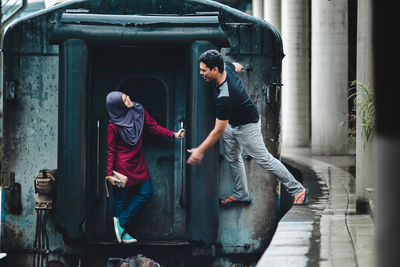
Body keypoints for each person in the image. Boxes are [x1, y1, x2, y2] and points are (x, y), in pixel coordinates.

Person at [186, 50, 308, 206]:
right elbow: (236, 66)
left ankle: (297, 189)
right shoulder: (226, 67)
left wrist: (200, 150)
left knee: (264, 159)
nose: (201, 73)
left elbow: (218, 131)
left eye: (204, 70)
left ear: (215, 70)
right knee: (233, 158)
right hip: (231, 123)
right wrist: (241, 68)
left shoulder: (226, 96)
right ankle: (241, 194)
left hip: (247, 125)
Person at [105, 91, 185, 244]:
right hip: (122, 167)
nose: (128, 98)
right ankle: (121, 233)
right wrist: (109, 173)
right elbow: (111, 150)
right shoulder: (112, 126)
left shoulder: (138, 110)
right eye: (124, 99)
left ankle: (120, 223)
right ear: (117, 106)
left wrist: (173, 134)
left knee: (146, 192)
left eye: (127, 95)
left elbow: (153, 127)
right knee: (120, 200)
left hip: (137, 162)